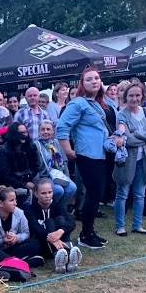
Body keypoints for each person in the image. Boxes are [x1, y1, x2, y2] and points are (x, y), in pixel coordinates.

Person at [56, 67, 121, 249]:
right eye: (89, 79)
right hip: (88, 154)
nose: (94, 81)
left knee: (99, 192)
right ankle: (85, 234)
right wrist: (69, 151)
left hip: (107, 153)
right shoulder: (78, 104)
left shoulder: (106, 102)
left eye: (97, 78)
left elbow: (117, 121)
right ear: (82, 84)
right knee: (93, 194)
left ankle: (90, 231)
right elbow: (62, 127)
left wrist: (120, 135)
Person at [115, 83, 146, 236]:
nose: (134, 98)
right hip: (126, 161)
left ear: (142, 96)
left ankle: (137, 225)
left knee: (140, 194)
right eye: (131, 96)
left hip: (143, 160)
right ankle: (120, 226)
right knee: (122, 193)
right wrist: (145, 137)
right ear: (125, 97)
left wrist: (138, 134)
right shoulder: (121, 114)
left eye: (137, 95)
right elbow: (127, 139)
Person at [0, 185, 44, 266]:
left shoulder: (19, 213)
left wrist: (16, 238)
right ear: (1, 203)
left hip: (10, 249)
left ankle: (9, 263)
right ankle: (20, 263)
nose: (15, 203)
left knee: (35, 243)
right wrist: (2, 241)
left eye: (15, 200)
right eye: (11, 200)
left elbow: (26, 234)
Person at [25, 178, 81, 273]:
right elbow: (35, 228)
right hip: (41, 243)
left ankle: (68, 256)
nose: (47, 196)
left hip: (58, 242)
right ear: (36, 194)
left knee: (61, 220)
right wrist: (52, 238)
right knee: (49, 221)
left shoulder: (57, 205)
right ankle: (60, 254)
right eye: (43, 193)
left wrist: (60, 232)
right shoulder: (30, 209)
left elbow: (71, 222)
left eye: (50, 192)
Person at [0, 122, 43, 207]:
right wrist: (23, 184)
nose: (24, 135)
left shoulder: (31, 146)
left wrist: (29, 178)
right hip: (10, 184)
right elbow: (5, 175)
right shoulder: (5, 151)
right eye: (21, 133)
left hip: (28, 179)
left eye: (25, 132)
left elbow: (36, 166)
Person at [35, 120, 76, 208]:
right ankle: (50, 208)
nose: (45, 132)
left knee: (72, 188)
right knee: (58, 190)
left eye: (48, 129)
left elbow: (64, 161)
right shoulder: (35, 145)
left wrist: (67, 177)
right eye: (43, 129)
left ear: (53, 131)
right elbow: (35, 166)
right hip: (44, 176)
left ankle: (60, 209)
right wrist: (36, 183)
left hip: (58, 174)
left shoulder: (56, 143)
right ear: (39, 132)